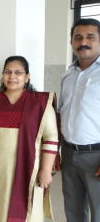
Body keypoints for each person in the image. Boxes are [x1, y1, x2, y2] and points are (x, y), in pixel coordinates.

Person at [0, 56, 58, 222]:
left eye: (18, 72)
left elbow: (51, 137)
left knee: (29, 211)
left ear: (27, 76)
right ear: (3, 75)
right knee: (0, 208)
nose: (12, 76)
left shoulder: (40, 103)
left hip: (31, 167)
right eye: (8, 72)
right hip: (0, 169)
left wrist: (46, 170)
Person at [53, 18, 100, 222]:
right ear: (71, 42)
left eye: (90, 37)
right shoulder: (67, 75)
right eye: (78, 37)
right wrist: (55, 150)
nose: (83, 42)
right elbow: (59, 113)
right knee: (72, 209)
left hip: (96, 155)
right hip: (69, 153)